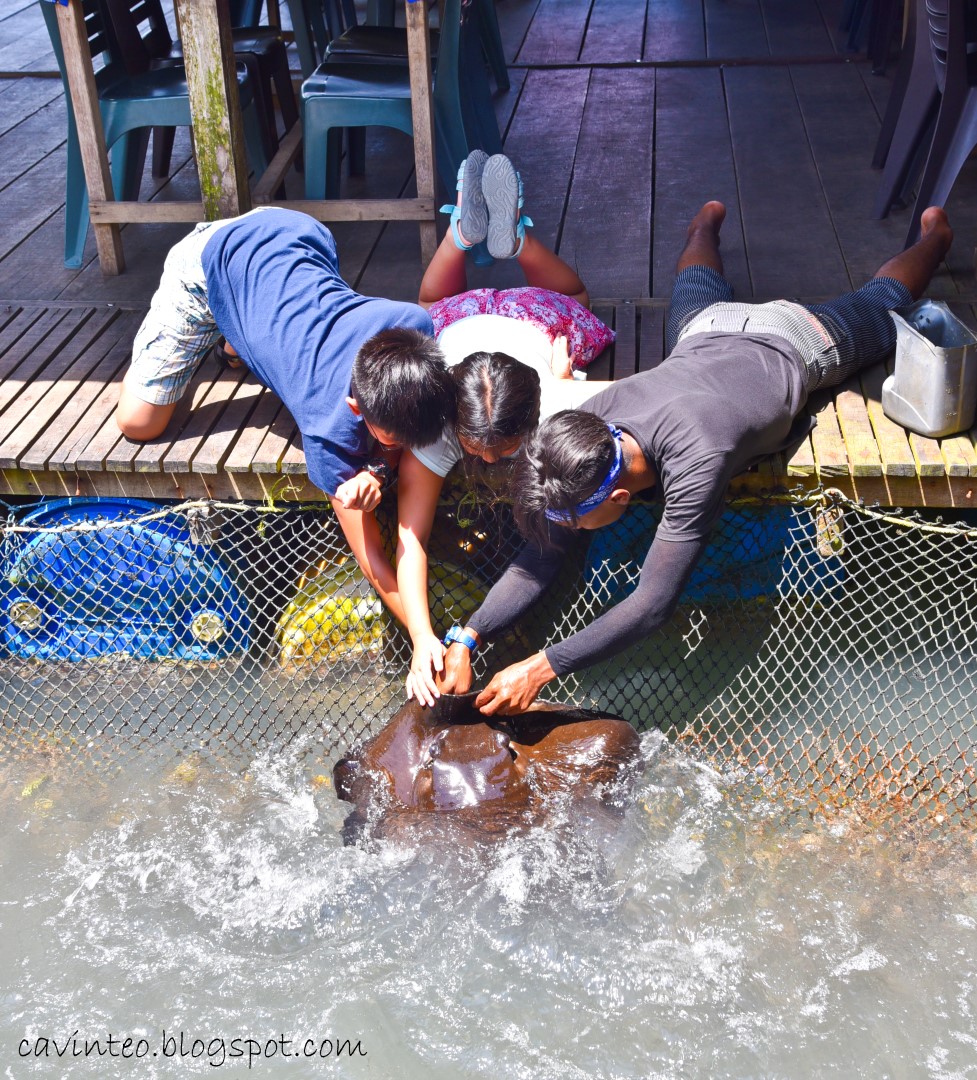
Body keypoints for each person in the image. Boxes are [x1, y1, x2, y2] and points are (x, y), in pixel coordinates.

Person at [436, 200, 955, 714]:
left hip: (794, 340)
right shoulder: (586, 427)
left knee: (885, 303)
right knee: (697, 285)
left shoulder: (698, 460)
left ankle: (937, 236)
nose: (565, 532)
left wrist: (541, 666)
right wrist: (468, 636)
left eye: (572, 522)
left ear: (619, 496)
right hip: (705, 331)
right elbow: (538, 559)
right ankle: (704, 223)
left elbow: (652, 604)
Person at [115, 207, 455, 658]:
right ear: (355, 407)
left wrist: (378, 465)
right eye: (395, 442)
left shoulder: (414, 325)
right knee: (139, 422)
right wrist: (423, 638)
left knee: (278, 318)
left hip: (299, 233)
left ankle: (237, 342)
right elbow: (371, 559)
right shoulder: (326, 430)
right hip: (211, 259)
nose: (408, 453)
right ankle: (224, 325)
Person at [394, 151, 614, 705]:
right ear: (451, 418)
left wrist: (565, 381)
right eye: (477, 449)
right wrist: (422, 637)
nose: (489, 463)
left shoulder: (553, 398)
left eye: (504, 450)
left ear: (533, 418)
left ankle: (464, 238)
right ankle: (512, 240)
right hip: (480, 322)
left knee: (436, 303)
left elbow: (413, 534)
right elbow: (411, 536)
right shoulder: (437, 419)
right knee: (570, 302)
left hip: (514, 322)